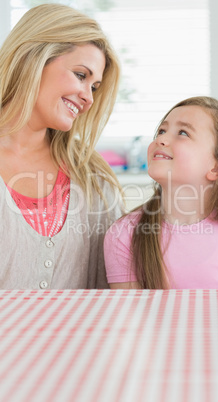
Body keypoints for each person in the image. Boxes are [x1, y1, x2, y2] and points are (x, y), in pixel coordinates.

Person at [0, 3, 124, 289]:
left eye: (94, 87)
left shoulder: (92, 176)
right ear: (33, 58)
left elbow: (132, 256)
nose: (89, 99)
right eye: (81, 75)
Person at [104, 96, 218, 289]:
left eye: (183, 133)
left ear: (216, 167)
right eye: (162, 130)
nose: (161, 139)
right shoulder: (124, 234)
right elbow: (130, 315)